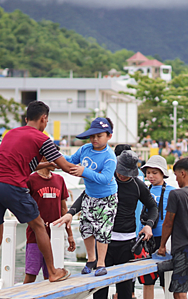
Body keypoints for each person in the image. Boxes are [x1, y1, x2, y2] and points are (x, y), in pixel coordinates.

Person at [0, 101, 72, 295]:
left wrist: (46, 164)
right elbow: (66, 167)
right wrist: (86, 170)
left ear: (25, 119)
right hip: (12, 186)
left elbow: (19, 164)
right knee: (39, 225)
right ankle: (54, 272)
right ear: (44, 119)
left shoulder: (10, 134)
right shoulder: (42, 139)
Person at [55, 149, 158, 299]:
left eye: (127, 173)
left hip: (126, 243)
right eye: (120, 171)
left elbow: (153, 206)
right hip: (103, 244)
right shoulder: (105, 178)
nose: (122, 175)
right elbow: (85, 196)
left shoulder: (137, 185)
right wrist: (70, 213)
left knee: (125, 291)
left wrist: (149, 224)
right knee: (99, 291)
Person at [63, 117, 118, 277]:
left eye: (99, 136)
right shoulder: (85, 149)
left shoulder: (109, 156)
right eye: (92, 136)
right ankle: (91, 259)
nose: (94, 139)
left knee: (103, 230)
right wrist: (56, 156)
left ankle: (101, 263)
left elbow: (105, 178)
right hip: (90, 195)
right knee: (86, 227)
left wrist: (84, 172)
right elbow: (71, 161)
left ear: (109, 136)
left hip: (106, 197)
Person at [157, 157, 188, 299]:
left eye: (176, 175)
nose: (176, 179)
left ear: (183, 174)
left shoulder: (176, 194)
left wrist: (162, 246)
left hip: (184, 249)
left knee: (179, 292)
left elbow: (168, 222)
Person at [24, 162, 75, 283]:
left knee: (52, 277)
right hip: (35, 236)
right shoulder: (31, 179)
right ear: (43, 158)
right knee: (31, 275)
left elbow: (64, 209)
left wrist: (70, 234)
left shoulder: (59, 179)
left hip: (55, 237)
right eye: (54, 158)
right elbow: (24, 206)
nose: (57, 162)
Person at [139, 156, 176, 299]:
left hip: (165, 238)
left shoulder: (172, 191)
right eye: (148, 172)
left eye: (155, 172)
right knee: (147, 279)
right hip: (146, 237)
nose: (151, 176)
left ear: (163, 174)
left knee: (166, 278)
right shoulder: (143, 190)